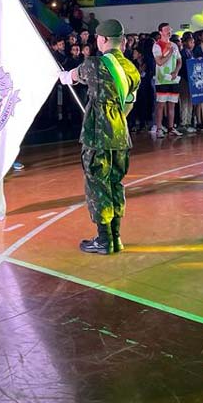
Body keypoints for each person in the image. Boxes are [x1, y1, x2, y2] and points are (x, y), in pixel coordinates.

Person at [57, 19, 140, 254]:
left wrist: (63, 76)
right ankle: (115, 237)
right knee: (115, 183)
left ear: (102, 40)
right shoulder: (132, 69)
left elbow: (73, 76)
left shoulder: (94, 64)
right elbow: (130, 103)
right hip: (120, 134)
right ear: (122, 41)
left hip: (97, 136)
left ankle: (103, 240)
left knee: (97, 183)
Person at [152, 23, 182, 137]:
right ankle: (159, 129)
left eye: (170, 29)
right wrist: (169, 53)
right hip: (162, 79)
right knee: (161, 105)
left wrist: (176, 71)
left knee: (172, 105)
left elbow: (179, 60)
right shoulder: (157, 45)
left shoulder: (174, 45)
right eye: (166, 30)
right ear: (161, 32)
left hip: (173, 79)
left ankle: (171, 128)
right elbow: (159, 61)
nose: (169, 31)